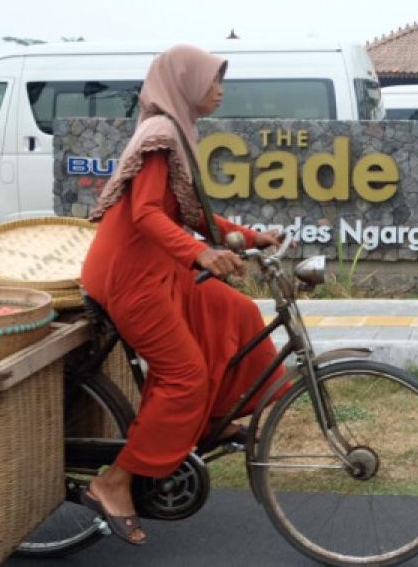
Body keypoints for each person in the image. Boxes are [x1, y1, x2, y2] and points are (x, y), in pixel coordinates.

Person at [79, 44, 287, 545]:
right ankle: (115, 482)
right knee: (185, 376)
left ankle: (212, 422)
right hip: (130, 275)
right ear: (187, 82)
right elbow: (147, 214)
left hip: (158, 267)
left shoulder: (177, 131)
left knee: (235, 309)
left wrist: (252, 236)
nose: (219, 90)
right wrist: (199, 256)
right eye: (213, 80)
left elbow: (188, 214)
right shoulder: (160, 136)